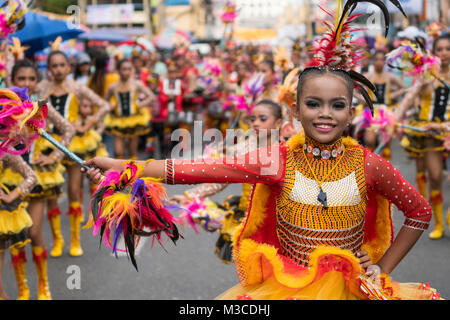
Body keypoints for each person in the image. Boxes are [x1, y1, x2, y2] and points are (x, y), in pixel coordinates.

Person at [82, 1, 441, 300]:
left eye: (337, 105)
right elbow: (199, 168)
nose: (325, 114)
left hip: (352, 288)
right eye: (314, 104)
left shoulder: (370, 165)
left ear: (351, 112)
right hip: (285, 287)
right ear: (296, 110)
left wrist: (383, 265)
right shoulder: (276, 160)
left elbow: (419, 211)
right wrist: (120, 166)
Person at [171, 100, 284, 263]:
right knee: (251, 272)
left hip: (278, 224)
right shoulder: (242, 150)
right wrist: (191, 195)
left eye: (263, 119)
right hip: (247, 221)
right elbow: (220, 180)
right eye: (252, 119)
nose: (256, 123)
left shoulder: (285, 151)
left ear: (278, 122)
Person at [36, 50, 111, 257]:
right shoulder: (42, 88)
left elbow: (104, 105)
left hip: (74, 145)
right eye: (54, 65)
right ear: (49, 68)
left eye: (62, 65)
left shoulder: (77, 87)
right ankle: (58, 240)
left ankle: (75, 240)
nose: (59, 69)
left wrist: (88, 123)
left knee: (73, 190)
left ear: (68, 66)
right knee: (51, 195)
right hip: (49, 144)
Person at [10, 60, 75, 299]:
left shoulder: (41, 107)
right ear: (12, 80)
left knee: (34, 232)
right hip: (8, 179)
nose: (26, 84)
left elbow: (68, 129)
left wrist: (55, 156)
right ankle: (22, 288)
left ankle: (43, 285)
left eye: (31, 79)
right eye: (21, 79)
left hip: (35, 177)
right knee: (14, 237)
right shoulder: (3, 107)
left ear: (37, 82)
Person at [394, 33, 450, 240]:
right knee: (435, 177)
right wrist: (394, 117)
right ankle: (439, 224)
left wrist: (443, 125)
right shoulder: (428, 74)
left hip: (445, 128)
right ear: (434, 53)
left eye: (448, 49)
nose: (444, 53)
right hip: (429, 133)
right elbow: (410, 97)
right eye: (440, 49)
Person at [0, 154, 37, 300]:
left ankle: (33, 287)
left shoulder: (4, 148)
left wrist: (10, 197)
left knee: (35, 235)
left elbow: (31, 177)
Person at [104, 59, 156, 160]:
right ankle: (119, 174)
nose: (127, 72)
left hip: (134, 120)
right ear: (118, 70)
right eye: (124, 69)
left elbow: (151, 96)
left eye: (129, 69)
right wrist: (111, 105)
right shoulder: (113, 86)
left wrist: (139, 105)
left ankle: (132, 174)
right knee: (118, 151)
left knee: (132, 151)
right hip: (117, 120)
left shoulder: (136, 84)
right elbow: (105, 101)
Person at [362, 50, 406, 160]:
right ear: (373, 61)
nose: (379, 62)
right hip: (371, 111)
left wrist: (392, 95)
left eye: (382, 60)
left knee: (386, 142)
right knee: (370, 140)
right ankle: (370, 164)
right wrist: (364, 99)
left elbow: (404, 87)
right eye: (377, 59)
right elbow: (357, 90)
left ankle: (385, 168)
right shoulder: (368, 76)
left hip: (386, 111)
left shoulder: (390, 76)